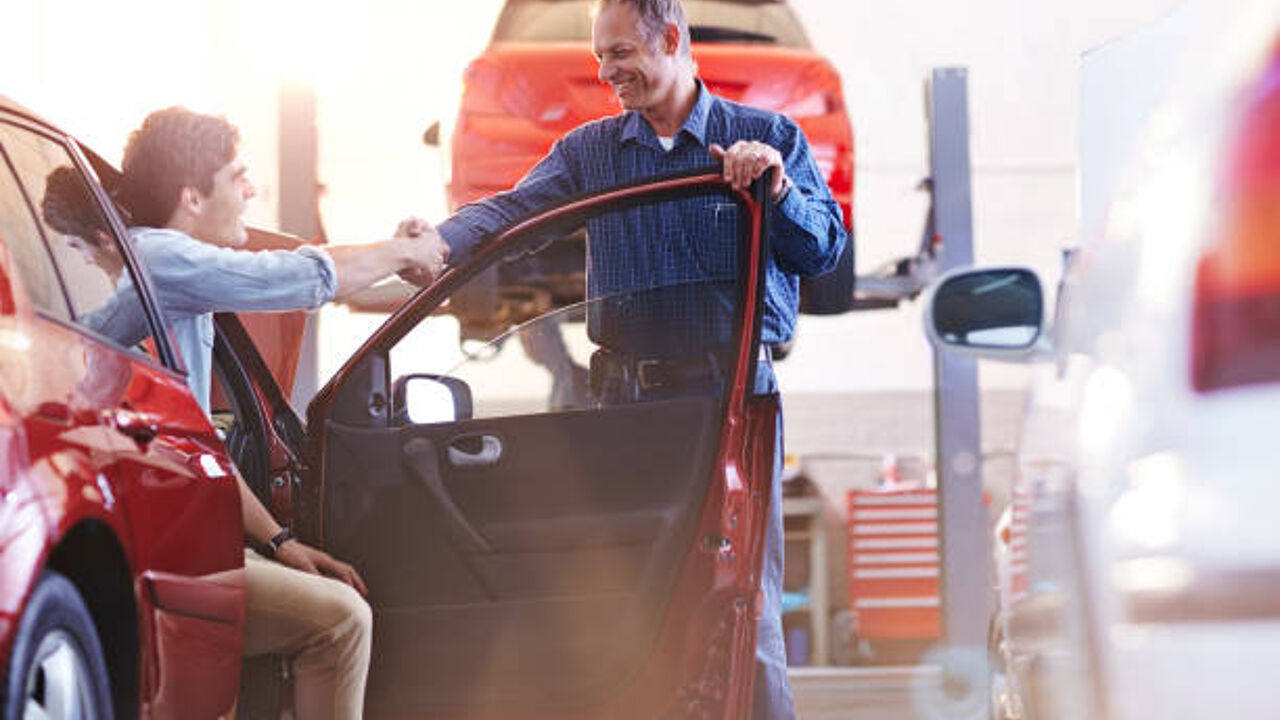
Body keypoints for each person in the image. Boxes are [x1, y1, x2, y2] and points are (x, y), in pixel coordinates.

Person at [424, 1, 848, 716]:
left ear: (673, 39)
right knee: (627, 599)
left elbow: (823, 250)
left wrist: (775, 187)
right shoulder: (591, 153)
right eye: (601, 55)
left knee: (745, 602)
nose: (606, 70)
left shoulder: (766, 136)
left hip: (731, 402)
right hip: (622, 404)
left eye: (621, 52)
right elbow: (510, 217)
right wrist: (430, 248)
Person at [118, 106, 449, 720]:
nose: (251, 191)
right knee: (342, 620)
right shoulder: (161, 259)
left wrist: (280, 540)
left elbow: (198, 442)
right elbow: (298, 276)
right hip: (157, 551)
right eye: (238, 176)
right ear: (192, 195)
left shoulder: (172, 280)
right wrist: (403, 249)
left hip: (180, 534)